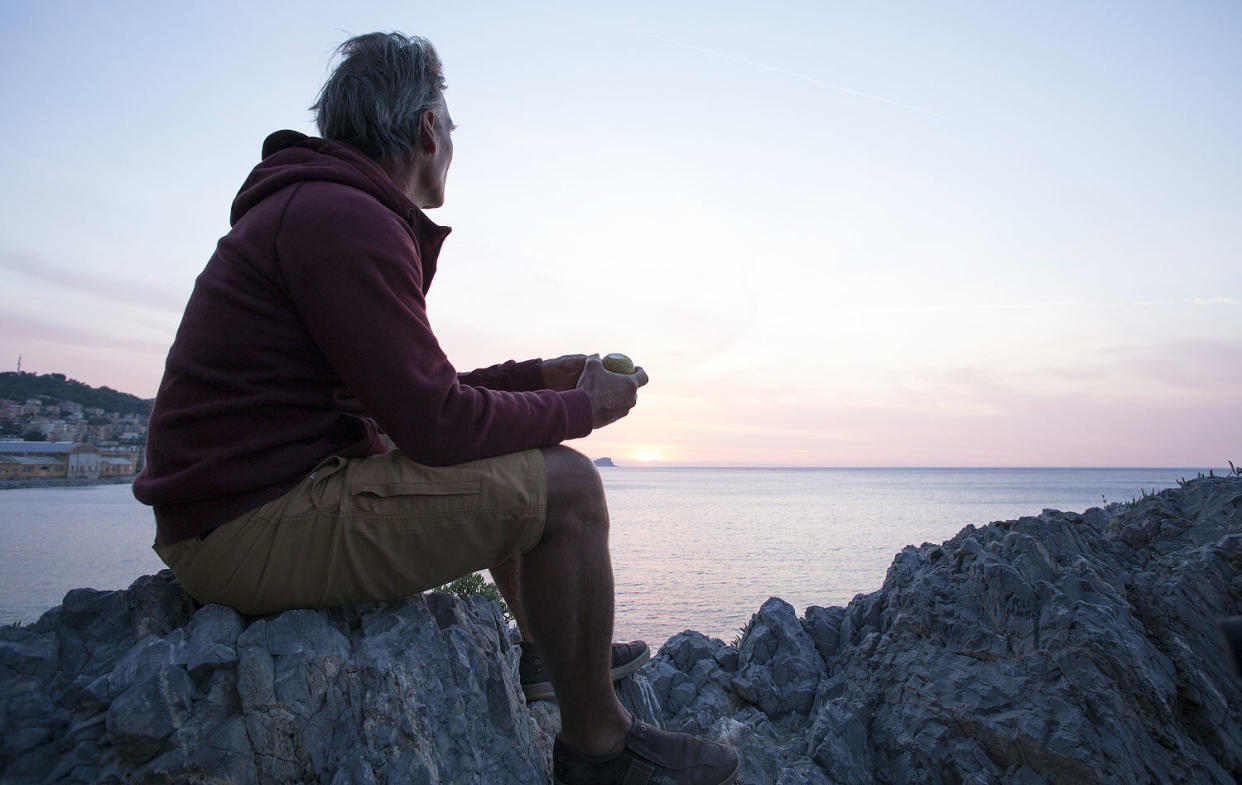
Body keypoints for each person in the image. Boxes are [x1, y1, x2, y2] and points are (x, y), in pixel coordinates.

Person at [133, 32, 740, 785]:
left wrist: (539, 377)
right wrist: (582, 407)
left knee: (510, 462)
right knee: (571, 488)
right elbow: (438, 423)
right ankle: (601, 747)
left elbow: (411, 396)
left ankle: (549, 653)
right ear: (426, 128)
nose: (452, 140)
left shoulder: (325, 206)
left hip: (238, 509)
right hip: (245, 525)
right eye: (450, 124)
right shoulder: (344, 219)